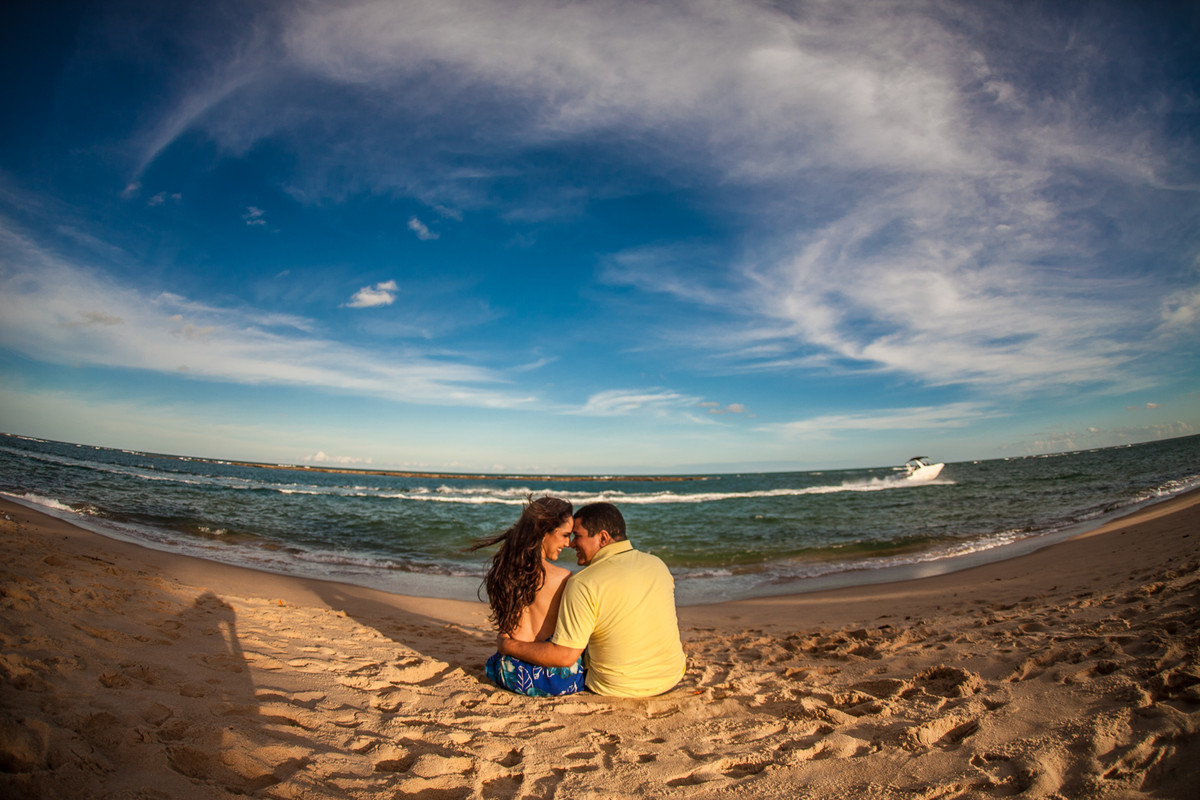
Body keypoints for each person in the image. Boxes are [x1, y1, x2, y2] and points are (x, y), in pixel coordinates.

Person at [498, 502, 686, 697]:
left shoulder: (583, 582)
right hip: (671, 677)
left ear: (603, 538)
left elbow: (564, 656)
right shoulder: (658, 565)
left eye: (577, 536)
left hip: (618, 688)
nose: (571, 544)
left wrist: (508, 645)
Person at [470, 495, 586, 696]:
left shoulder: (503, 571)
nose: (568, 543)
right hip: (553, 678)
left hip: (510, 672)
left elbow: (505, 630)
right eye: (564, 535)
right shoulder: (563, 578)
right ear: (544, 532)